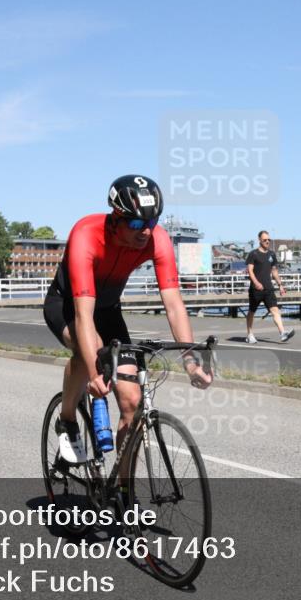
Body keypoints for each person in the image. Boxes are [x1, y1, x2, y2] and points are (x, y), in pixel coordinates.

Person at [43, 175, 213, 466]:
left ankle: (122, 493)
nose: (145, 231)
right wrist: (95, 375)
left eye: (151, 222)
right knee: (92, 351)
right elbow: (84, 315)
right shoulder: (87, 234)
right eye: (136, 223)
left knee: (132, 402)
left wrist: (190, 359)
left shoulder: (156, 238)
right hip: (69, 304)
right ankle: (68, 419)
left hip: (109, 310)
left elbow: (173, 304)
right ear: (116, 218)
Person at [244, 231, 295, 343]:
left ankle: (282, 333)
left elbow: (274, 271)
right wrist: (256, 283)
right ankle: (249, 334)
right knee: (251, 312)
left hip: (268, 288)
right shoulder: (253, 254)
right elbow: (250, 271)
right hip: (255, 289)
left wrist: (280, 285)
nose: (267, 241)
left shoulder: (271, 254)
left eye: (268, 240)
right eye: (265, 240)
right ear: (259, 240)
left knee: (275, 310)